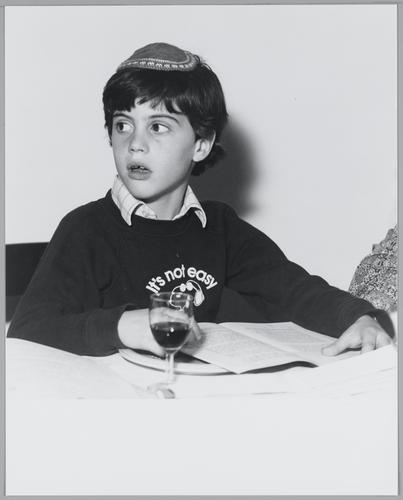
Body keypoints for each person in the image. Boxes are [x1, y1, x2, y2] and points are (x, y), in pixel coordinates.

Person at [8, 42, 394, 357]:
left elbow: (293, 288)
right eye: (122, 124)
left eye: (158, 126)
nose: (135, 144)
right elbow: (27, 329)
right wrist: (121, 326)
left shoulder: (220, 228)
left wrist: (358, 318)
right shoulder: (86, 229)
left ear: (201, 145)